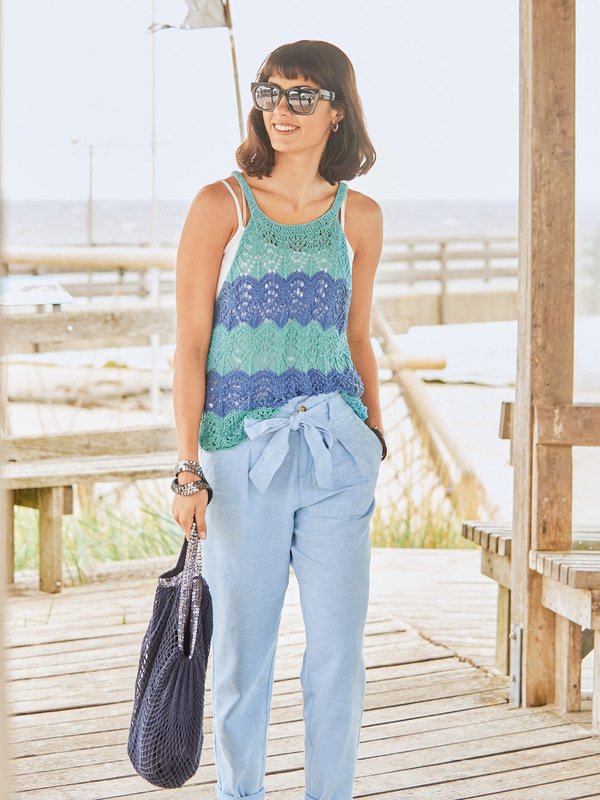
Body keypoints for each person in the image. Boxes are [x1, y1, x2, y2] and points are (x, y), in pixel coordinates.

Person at [171, 39, 386, 800]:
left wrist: (375, 438)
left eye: (301, 96)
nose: (281, 110)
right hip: (240, 456)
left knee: (338, 654)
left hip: (337, 451)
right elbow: (191, 346)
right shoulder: (220, 205)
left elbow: (356, 337)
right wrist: (188, 467)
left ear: (337, 112)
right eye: (270, 92)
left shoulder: (360, 216)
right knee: (242, 655)